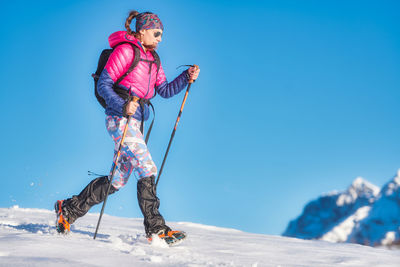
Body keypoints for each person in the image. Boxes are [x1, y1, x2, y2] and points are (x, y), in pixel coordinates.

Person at [54, 10, 200, 244]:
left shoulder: (154, 58)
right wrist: (123, 106)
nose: (161, 38)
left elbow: (164, 91)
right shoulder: (125, 50)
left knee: (118, 179)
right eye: (157, 33)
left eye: (161, 34)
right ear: (142, 31)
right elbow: (104, 84)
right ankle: (156, 228)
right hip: (119, 118)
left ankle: (69, 209)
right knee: (147, 167)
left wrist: (186, 77)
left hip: (137, 120)